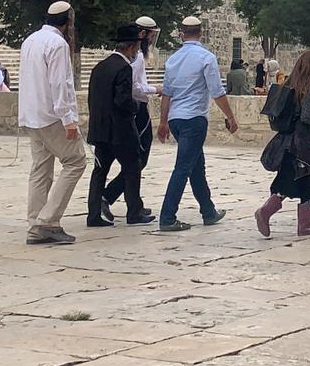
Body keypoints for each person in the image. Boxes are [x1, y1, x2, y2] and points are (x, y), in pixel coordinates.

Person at [158, 17, 239, 231]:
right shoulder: (206, 58)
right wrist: (230, 117)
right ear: (200, 33)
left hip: (175, 118)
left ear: (182, 33)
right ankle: (167, 217)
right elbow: (217, 91)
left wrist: (163, 122)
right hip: (193, 119)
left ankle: (208, 211)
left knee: (196, 167)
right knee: (183, 167)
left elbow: (166, 93)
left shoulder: (173, 59)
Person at [20, 1, 85, 246]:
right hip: (51, 115)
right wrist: (69, 119)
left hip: (31, 114)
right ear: (69, 21)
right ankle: (47, 221)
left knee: (41, 168)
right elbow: (60, 83)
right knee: (76, 161)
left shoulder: (30, 40)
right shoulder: (57, 44)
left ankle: (36, 222)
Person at [255, 51, 310, 238]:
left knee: (294, 180)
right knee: (297, 181)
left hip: (286, 142)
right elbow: (307, 116)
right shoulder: (306, 89)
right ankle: (267, 212)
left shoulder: (287, 84)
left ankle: (304, 224)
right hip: (301, 144)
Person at [86, 25, 151, 229]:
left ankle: (93, 215)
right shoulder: (124, 68)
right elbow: (123, 100)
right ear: (131, 47)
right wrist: (136, 107)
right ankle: (134, 212)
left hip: (100, 129)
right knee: (132, 167)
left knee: (100, 171)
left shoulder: (100, 67)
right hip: (120, 131)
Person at [104, 16, 158, 222]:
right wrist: (156, 89)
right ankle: (110, 196)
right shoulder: (135, 58)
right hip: (137, 108)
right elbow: (134, 87)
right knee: (137, 159)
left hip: (137, 107)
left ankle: (135, 203)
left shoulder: (137, 57)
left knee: (136, 160)